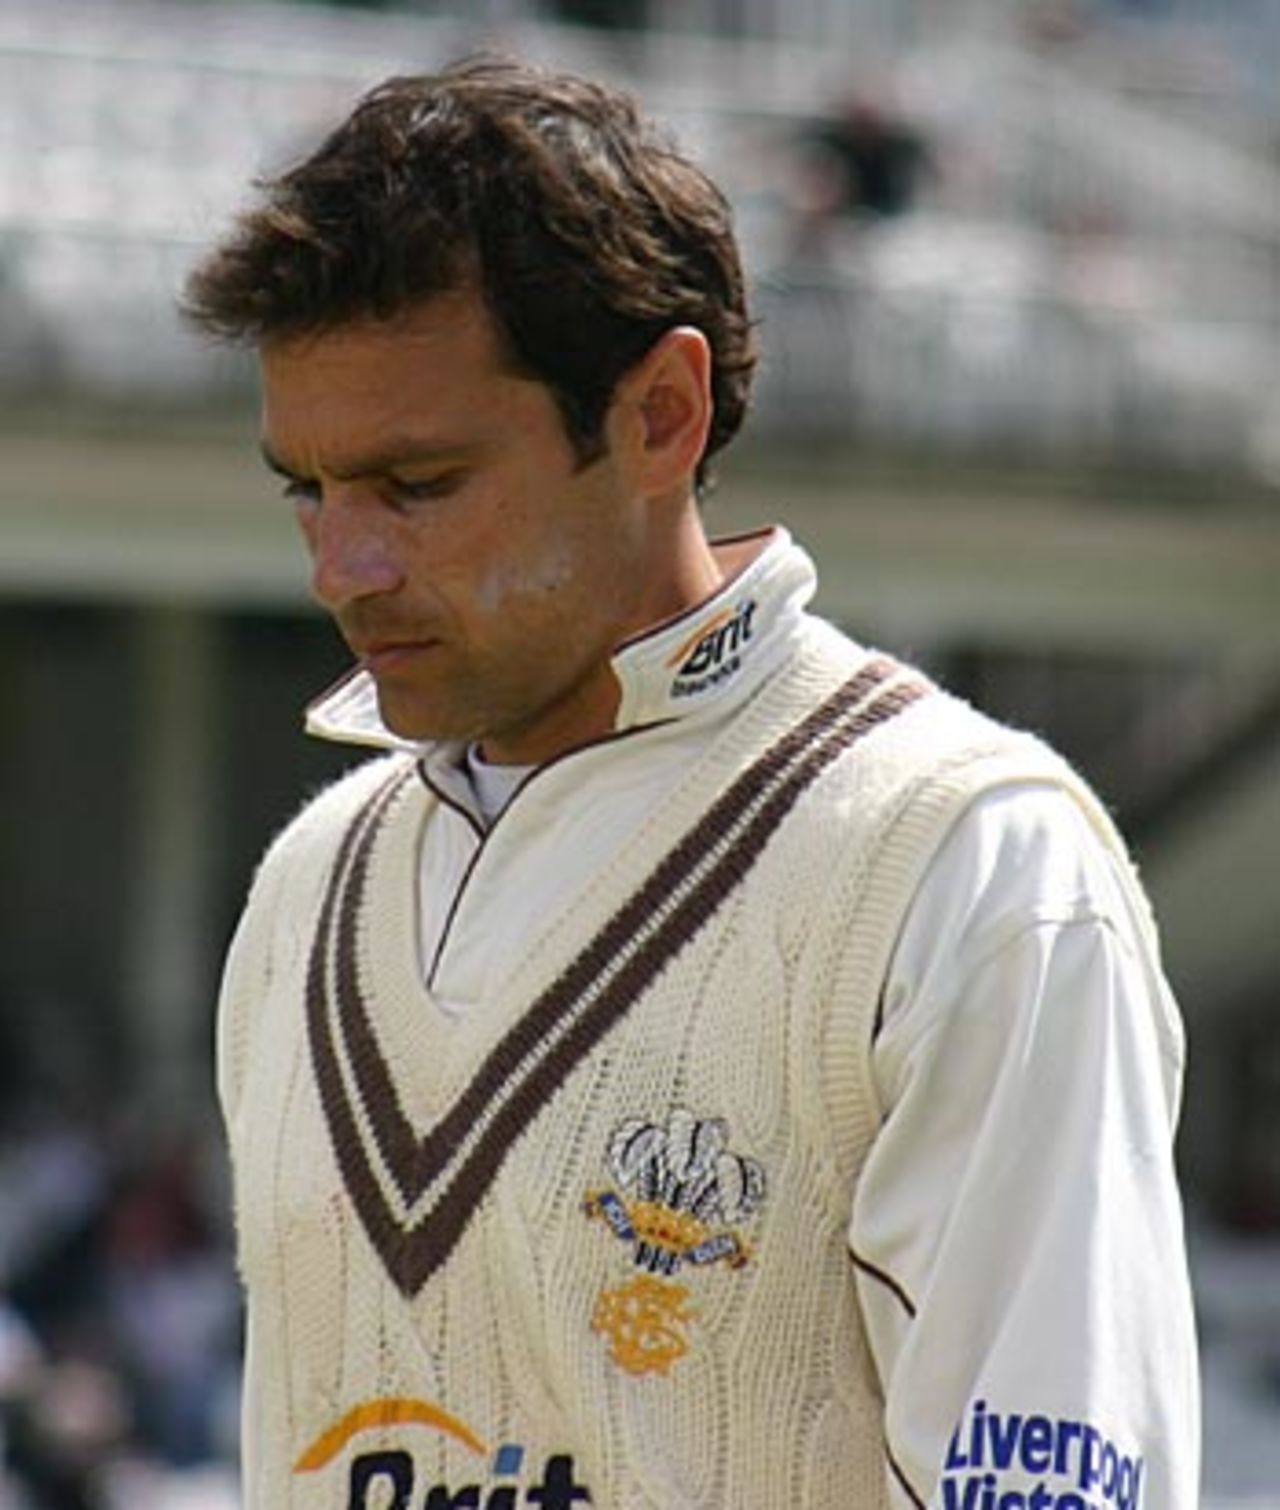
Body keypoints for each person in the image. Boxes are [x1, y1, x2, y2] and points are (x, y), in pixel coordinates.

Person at [185, 56, 1199, 1509]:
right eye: (308, 488)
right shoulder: (310, 887)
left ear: (662, 414)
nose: (342, 567)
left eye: (418, 485)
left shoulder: (967, 863)